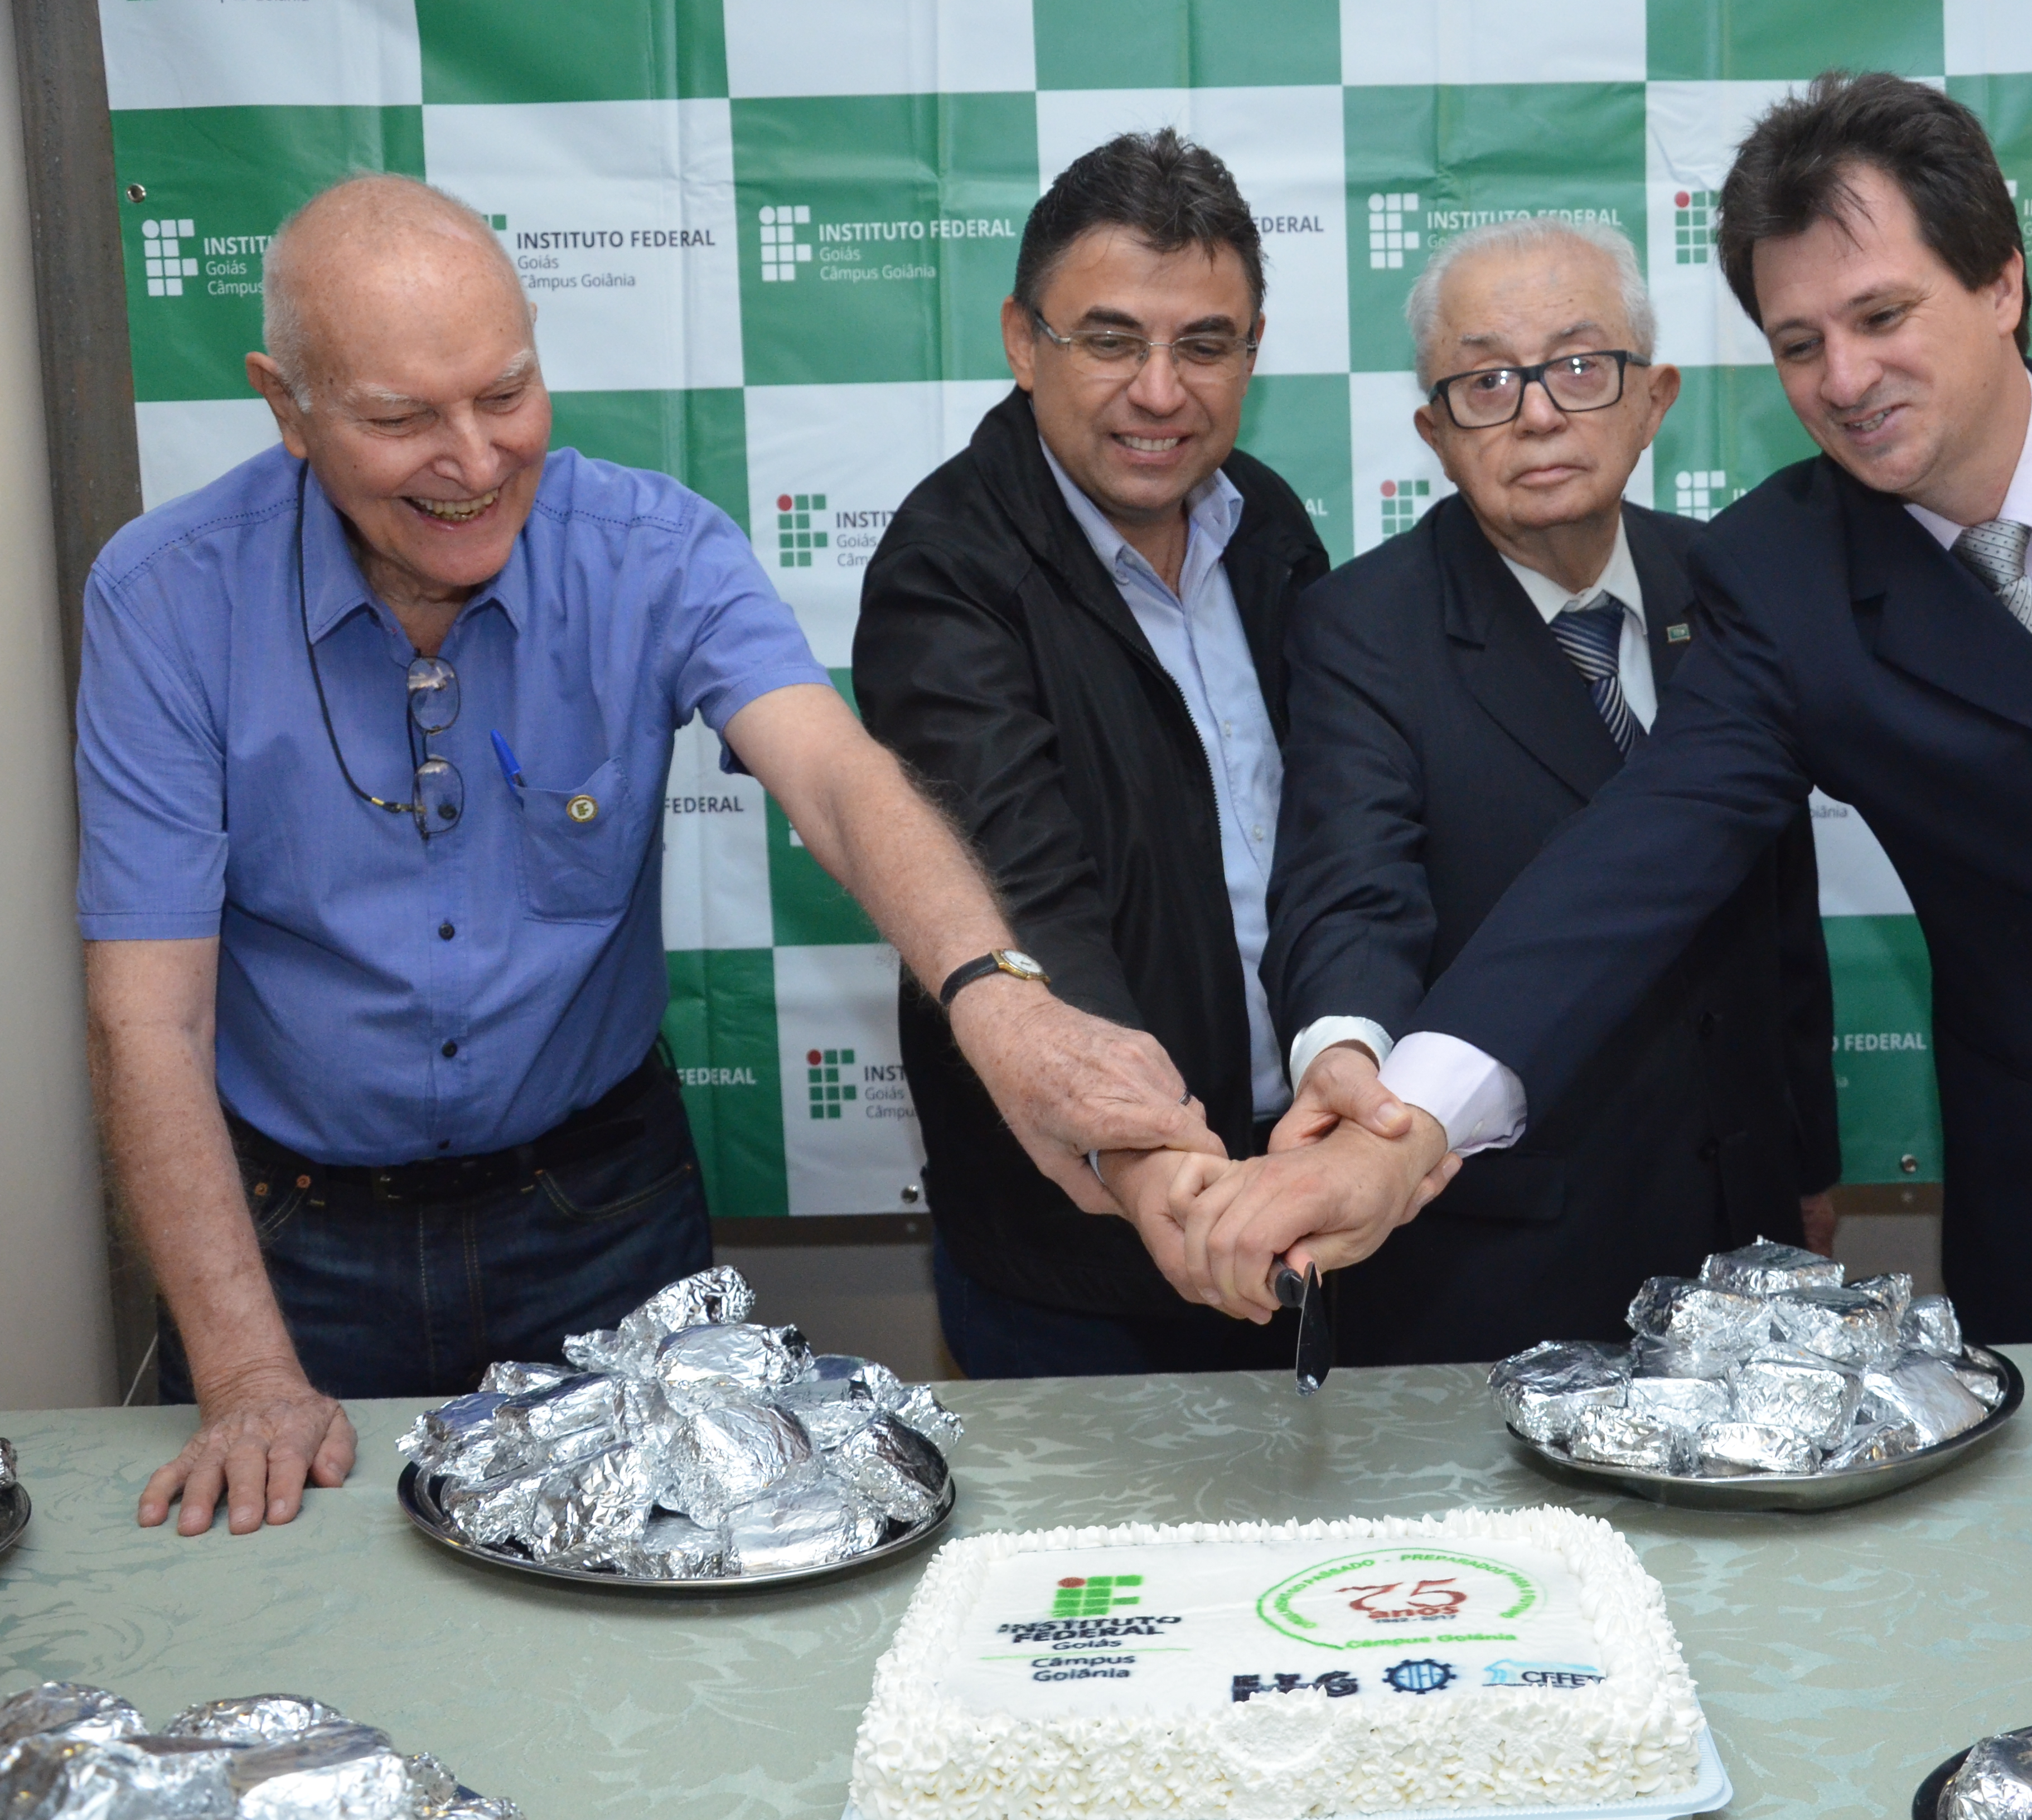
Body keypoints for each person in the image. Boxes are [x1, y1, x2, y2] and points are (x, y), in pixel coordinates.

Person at [1179, 70, 2032, 1344]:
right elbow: (1632, 861)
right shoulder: (1781, 580)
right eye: (1798, 343)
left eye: (1882, 316)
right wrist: (1404, 1127)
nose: (1842, 380)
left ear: (2001, 282)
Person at [80, 173, 1215, 1539]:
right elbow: (151, 1014)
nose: (475, 458)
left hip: (597, 1223)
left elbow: (842, 783)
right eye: (400, 419)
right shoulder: (164, 596)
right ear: (287, 406)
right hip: (287, 1248)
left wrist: (1001, 997)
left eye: (506, 395)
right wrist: (251, 1372)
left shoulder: (651, 546)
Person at [853, 130, 1444, 1376]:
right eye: (1112, 339)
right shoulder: (944, 568)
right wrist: (1153, 1160)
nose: (1161, 392)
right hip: (1084, 1256)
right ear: (1024, 340)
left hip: (1300, 1196)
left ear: (1252, 351)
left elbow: (1342, 836)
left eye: (1206, 345)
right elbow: (1016, 897)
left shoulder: (1266, 522)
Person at [1262, 217, 1839, 1364]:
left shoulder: (1730, 588)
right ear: (1433, 430)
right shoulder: (1361, 628)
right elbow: (1349, 886)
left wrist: (1810, 1170)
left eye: (1580, 366)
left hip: (1745, 1245)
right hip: (1503, 1258)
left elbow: (1782, 917)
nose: (1536, 411)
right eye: (1485, 381)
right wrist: (1345, 1051)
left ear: (1653, 396)